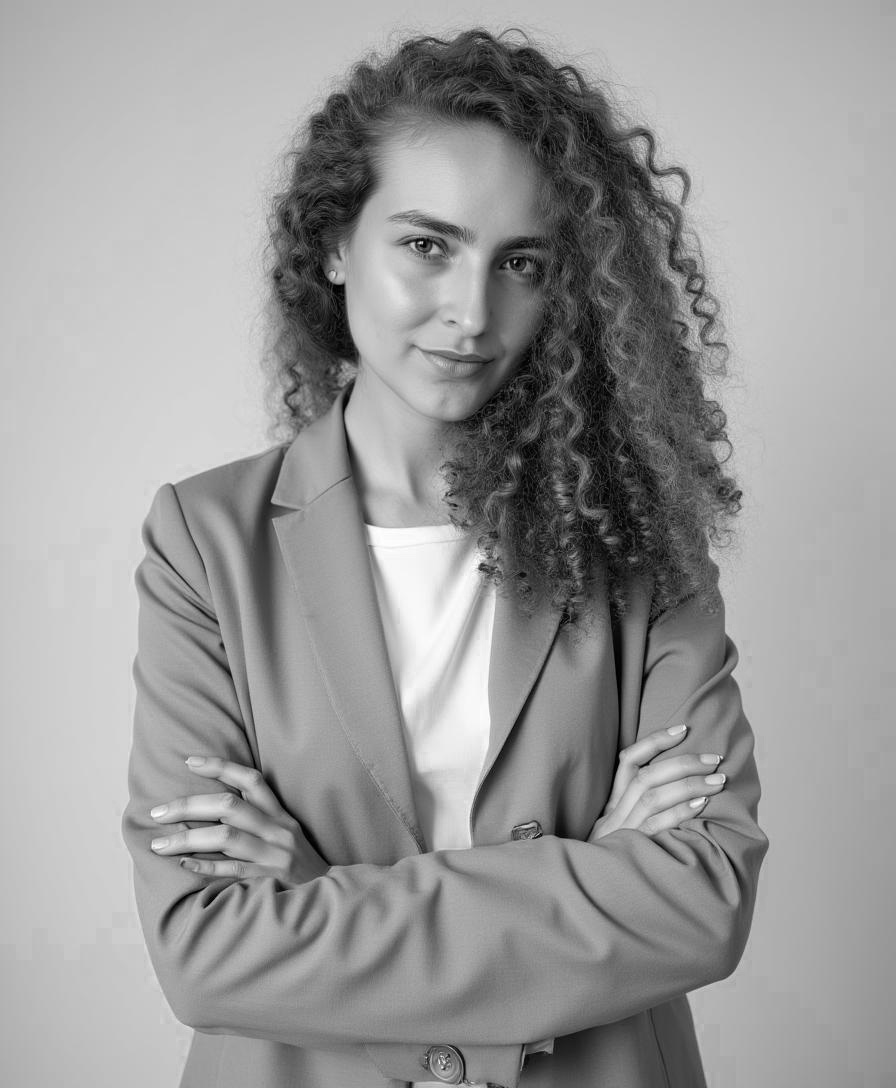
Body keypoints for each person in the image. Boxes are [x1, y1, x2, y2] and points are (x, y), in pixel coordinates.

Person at [121, 26, 768, 1088]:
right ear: (334, 243)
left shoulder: (638, 540)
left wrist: (315, 888)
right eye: (427, 244)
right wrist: (590, 876)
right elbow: (203, 946)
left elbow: (699, 901)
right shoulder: (203, 539)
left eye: (520, 263)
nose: (472, 313)